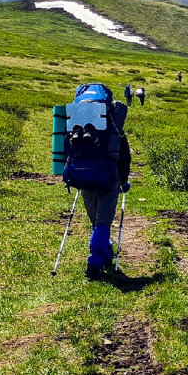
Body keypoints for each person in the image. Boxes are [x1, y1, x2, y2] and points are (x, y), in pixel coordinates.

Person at [61, 84, 131, 280]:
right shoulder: (113, 129)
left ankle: (106, 253)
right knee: (103, 222)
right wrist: (123, 182)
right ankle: (95, 262)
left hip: (84, 180)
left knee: (96, 222)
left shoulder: (75, 128)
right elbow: (124, 159)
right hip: (109, 181)